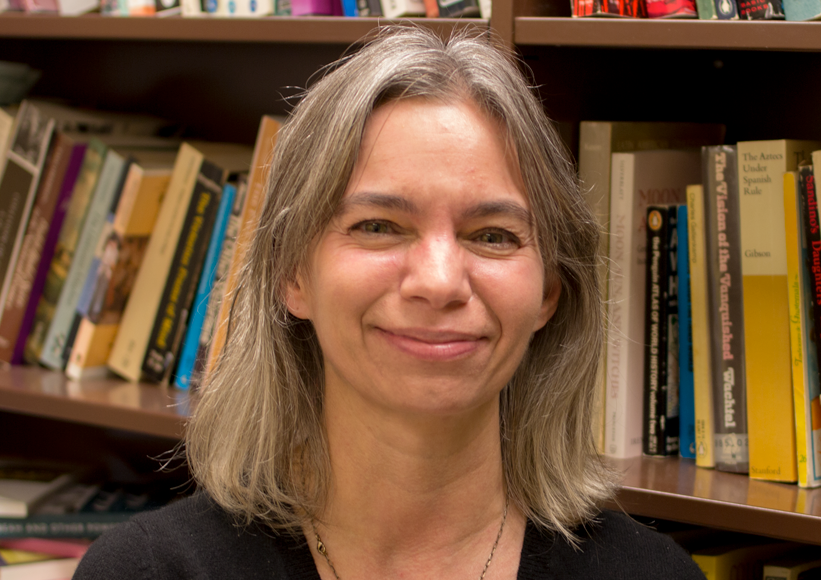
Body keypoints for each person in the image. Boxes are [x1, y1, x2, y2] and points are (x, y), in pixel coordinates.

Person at [73, 25, 704, 580]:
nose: (438, 281)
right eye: (378, 225)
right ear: (293, 275)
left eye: (492, 236)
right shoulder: (150, 573)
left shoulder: (652, 574)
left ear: (549, 295)